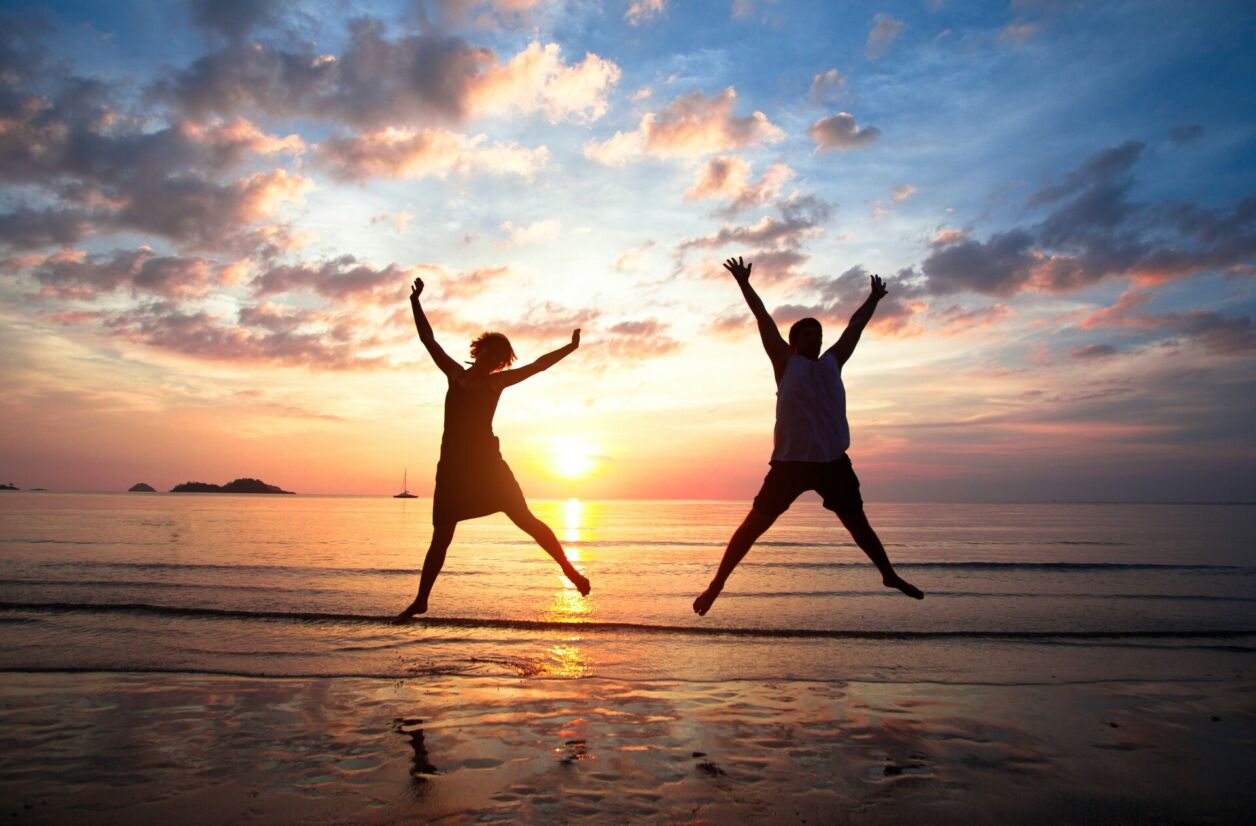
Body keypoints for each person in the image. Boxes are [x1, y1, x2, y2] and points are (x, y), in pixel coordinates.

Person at [693, 257, 923, 617]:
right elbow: (762, 318)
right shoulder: (786, 364)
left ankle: (888, 575)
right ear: (794, 341)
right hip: (789, 464)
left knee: (858, 524)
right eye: (807, 333)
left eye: (818, 333)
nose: (815, 337)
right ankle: (716, 584)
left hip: (833, 463)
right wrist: (743, 282)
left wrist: (874, 299)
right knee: (753, 527)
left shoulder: (833, 362)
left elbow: (854, 328)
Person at [394, 276, 590, 623]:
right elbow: (428, 339)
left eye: (499, 356)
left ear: (501, 362)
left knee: (526, 520)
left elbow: (539, 365)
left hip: (488, 466)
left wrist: (570, 348)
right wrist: (415, 301)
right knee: (441, 536)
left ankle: (571, 573)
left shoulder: (498, 382)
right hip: (453, 469)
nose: (493, 358)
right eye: (490, 350)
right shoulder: (455, 374)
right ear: (479, 350)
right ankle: (421, 600)